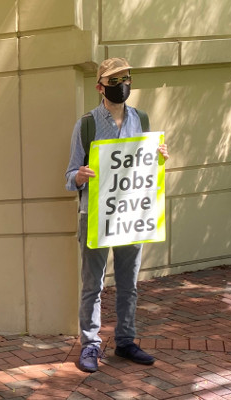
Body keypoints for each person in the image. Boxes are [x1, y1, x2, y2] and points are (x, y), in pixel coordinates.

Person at [65, 57, 169, 373]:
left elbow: (148, 170)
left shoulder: (142, 120)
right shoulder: (87, 124)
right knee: (92, 285)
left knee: (129, 283)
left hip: (132, 215)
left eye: (125, 78)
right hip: (95, 215)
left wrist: (161, 158)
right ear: (100, 87)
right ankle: (90, 345)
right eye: (114, 81)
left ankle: (125, 341)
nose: (121, 85)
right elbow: (69, 176)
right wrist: (80, 176)